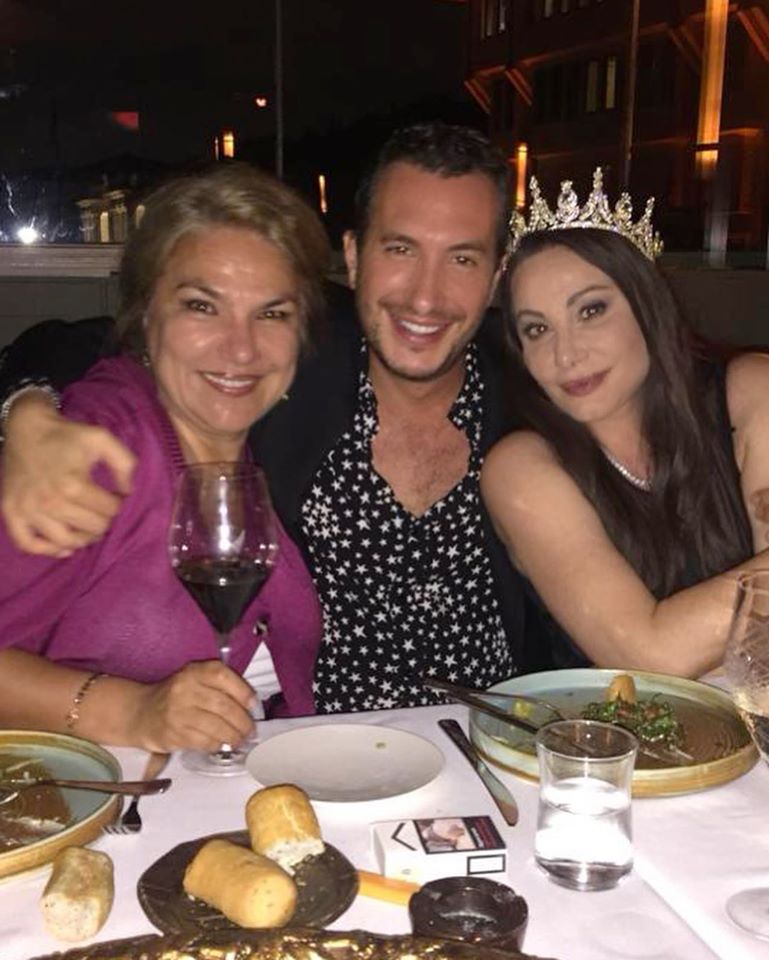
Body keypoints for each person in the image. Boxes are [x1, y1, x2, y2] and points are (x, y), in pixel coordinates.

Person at [0, 123, 564, 711]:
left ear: (497, 275)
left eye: (463, 258)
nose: (425, 296)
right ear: (354, 256)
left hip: (489, 745)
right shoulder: (280, 372)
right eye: (400, 249)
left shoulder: (533, 393)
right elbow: (82, 343)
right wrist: (29, 411)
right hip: (312, 749)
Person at [0, 163, 328, 751]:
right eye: (202, 306)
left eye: (272, 313)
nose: (241, 348)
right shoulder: (99, 451)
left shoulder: (259, 441)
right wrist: (128, 712)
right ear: (147, 313)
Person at [481, 170, 769, 678]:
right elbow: (649, 655)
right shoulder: (520, 468)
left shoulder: (750, 391)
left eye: (591, 310)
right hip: (611, 728)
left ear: (646, 305)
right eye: (537, 329)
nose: (566, 355)